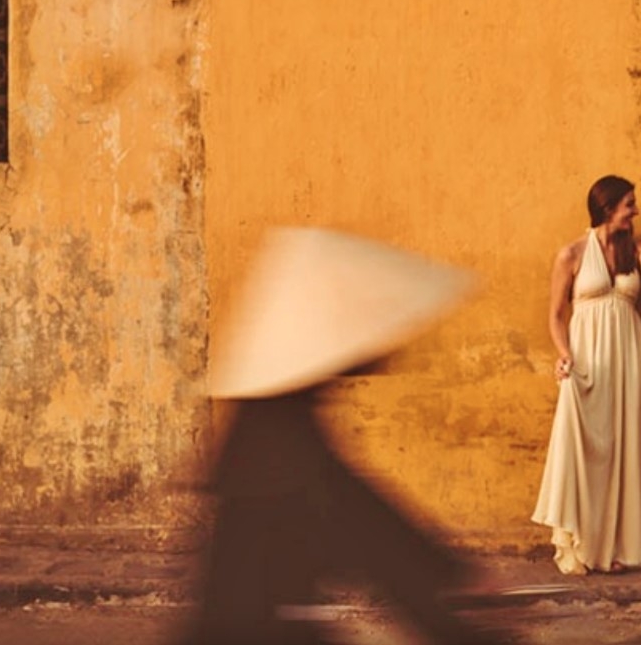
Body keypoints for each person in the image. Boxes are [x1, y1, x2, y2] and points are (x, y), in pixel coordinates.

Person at [184, 227, 509, 645]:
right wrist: (451, 575)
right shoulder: (280, 435)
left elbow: (359, 522)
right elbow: (360, 522)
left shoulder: (273, 414)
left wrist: (444, 574)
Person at [531, 175, 641, 575]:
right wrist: (564, 356)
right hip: (587, 359)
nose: (636, 210)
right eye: (630, 203)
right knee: (590, 449)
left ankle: (625, 546)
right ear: (608, 207)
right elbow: (556, 315)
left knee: (629, 445)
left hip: (628, 355)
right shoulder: (571, 254)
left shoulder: (636, 248)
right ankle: (589, 545)